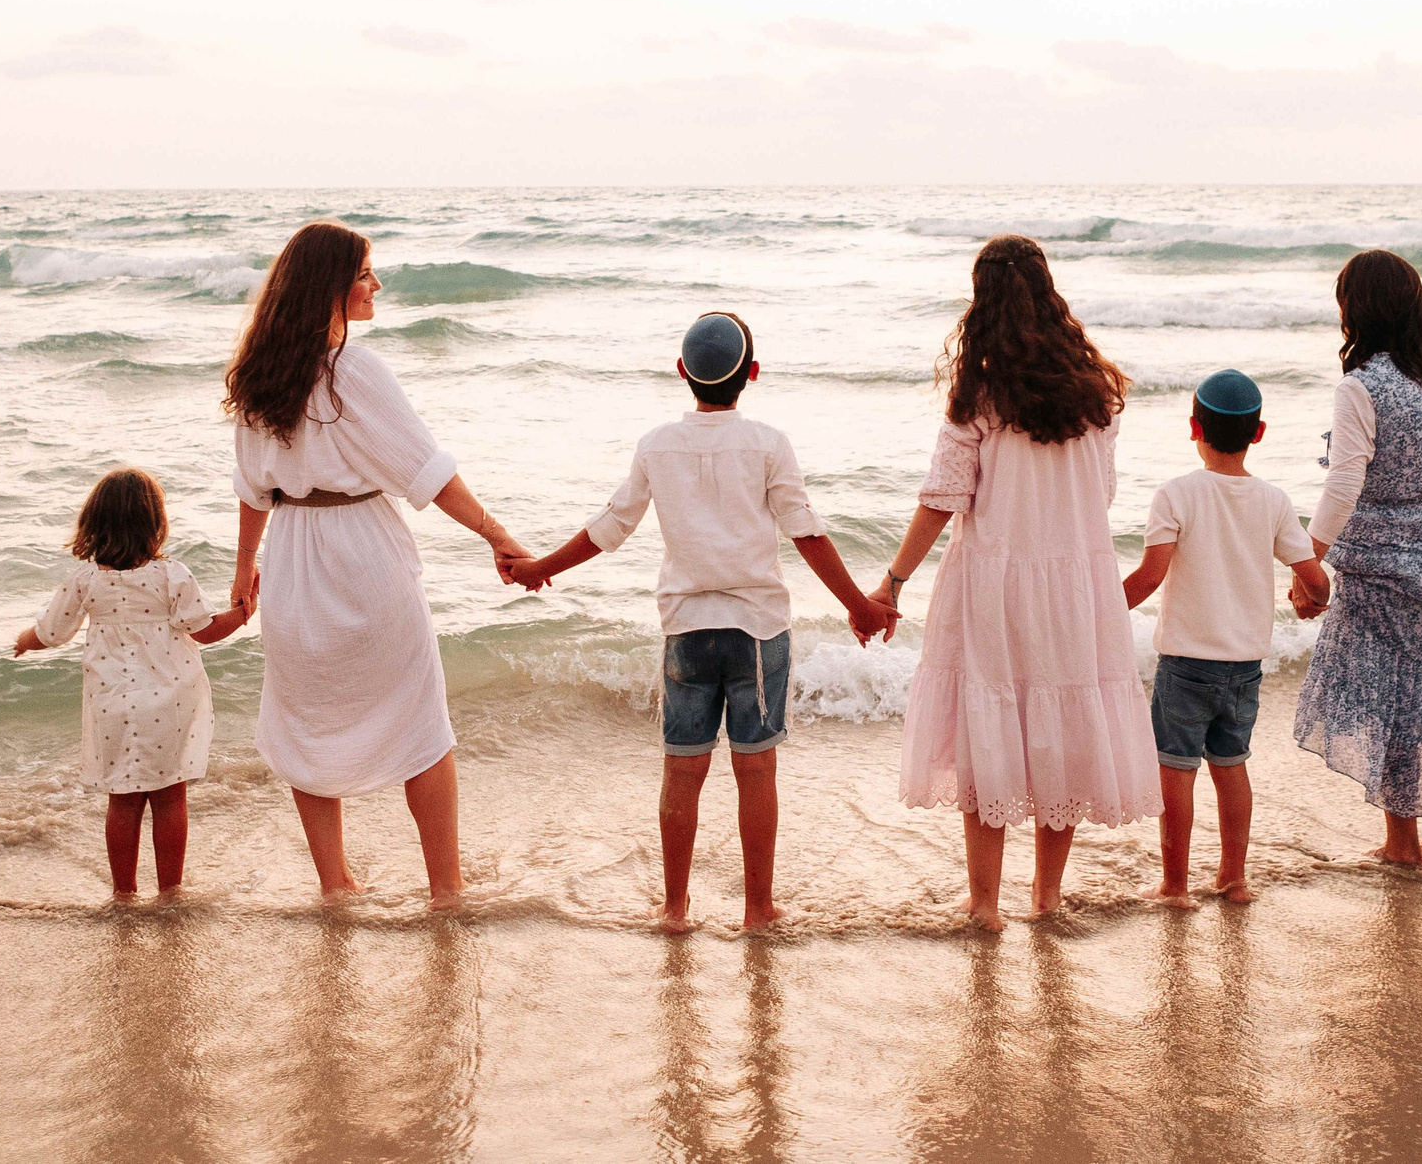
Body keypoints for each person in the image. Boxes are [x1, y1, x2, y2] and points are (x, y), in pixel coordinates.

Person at [510, 312, 898, 933]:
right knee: (756, 773)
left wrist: (539, 568)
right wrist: (858, 603)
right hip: (756, 630)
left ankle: (673, 908)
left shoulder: (656, 444)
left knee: (682, 772)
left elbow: (610, 528)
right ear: (752, 373)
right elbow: (807, 533)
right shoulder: (769, 443)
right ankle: (757, 909)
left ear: (684, 372)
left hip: (686, 630)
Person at [225, 220, 532, 903]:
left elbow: (253, 491)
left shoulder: (256, 376)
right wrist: (497, 534)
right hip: (364, 554)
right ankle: (445, 888)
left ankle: (336, 885)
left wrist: (245, 570)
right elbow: (427, 472)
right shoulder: (353, 369)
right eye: (365, 273)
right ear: (331, 286)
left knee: (306, 721)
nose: (376, 284)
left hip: (293, 561)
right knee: (422, 723)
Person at [874, 235, 1159, 931]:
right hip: (1077, 585)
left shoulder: (981, 391)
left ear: (983, 303)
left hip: (994, 584)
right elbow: (1104, 492)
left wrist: (892, 582)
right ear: (1049, 292)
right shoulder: (1099, 394)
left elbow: (943, 497)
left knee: (988, 730)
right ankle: (1048, 896)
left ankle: (983, 902)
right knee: (1060, 728)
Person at [1294, 248, 1422, 865]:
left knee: (1390, 701)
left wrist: (1308, 561)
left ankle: (1401, 844)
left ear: (1357, 312)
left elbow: (1345, 482)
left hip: (1383, 571)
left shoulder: (1360, 388)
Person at [1121, 368, 1330, 904]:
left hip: (1186, 664)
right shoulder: (1274, 500)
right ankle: (1234, 878)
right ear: (1258, 433)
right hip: (1245, 667)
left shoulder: (1176, 495)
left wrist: (1095, 613)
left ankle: (1174, 885)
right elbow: (1314, 577)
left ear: (1194, 427)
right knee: (1231, 767)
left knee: (1177, 772)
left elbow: (1149, 577)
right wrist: (1312, 598)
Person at [12, 466, 252, 896]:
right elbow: (205, 629)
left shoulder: (86, 579)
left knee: (122, 800)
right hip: (170, 702)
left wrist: (24, 641)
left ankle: (124, 894)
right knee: (169, 798)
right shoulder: (171, 575)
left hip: (112, 703)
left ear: (94, 523)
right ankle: (170, 892)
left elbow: (52, 631)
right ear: (155, 525)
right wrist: (244, 610)